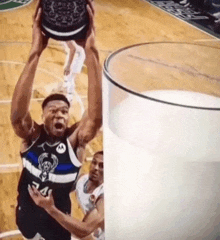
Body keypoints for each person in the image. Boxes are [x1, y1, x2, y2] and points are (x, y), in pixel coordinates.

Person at [10, 0, 102, 239]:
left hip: (57, 221)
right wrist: (35, 53)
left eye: (64, 111)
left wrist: (91, 52)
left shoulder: (76, 141)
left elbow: (95, 117)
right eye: (53, 110)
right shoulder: (32, 135)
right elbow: (18, 117)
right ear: (42, 116)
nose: (59, 113)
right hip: (27, 216)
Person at [28, 151, 104, 240]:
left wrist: (50, 208)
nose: (95, 168)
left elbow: (84, 230)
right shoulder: (82, 180)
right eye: (94, 162)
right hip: (91, 231)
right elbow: (59, 189)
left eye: (101, 166)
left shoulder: (104, 197)